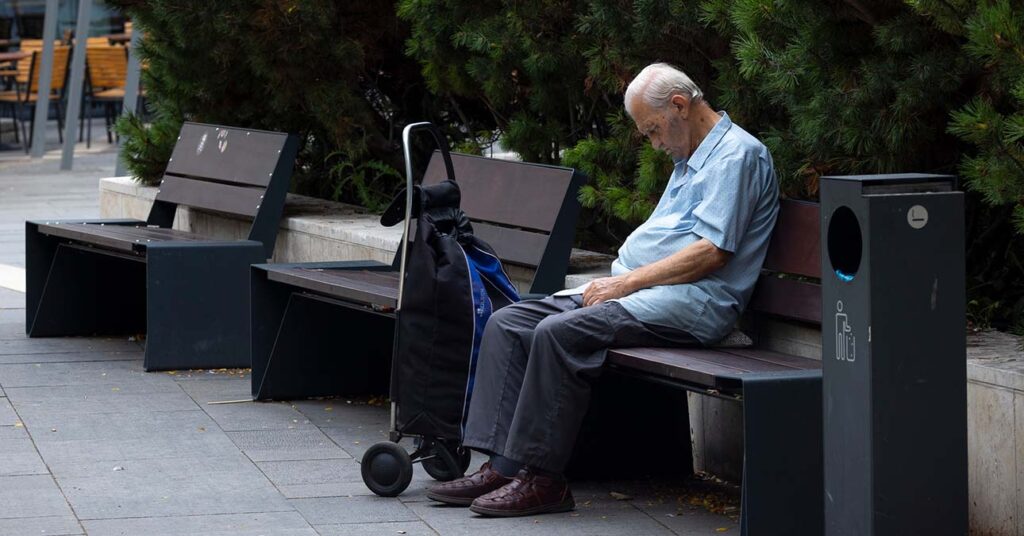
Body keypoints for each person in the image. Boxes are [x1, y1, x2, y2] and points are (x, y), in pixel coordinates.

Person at [426, 62, 780, 517]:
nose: (654, 143)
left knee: (559, 333)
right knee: (510, 321)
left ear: (679, 106)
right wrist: (622, 283)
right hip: (640, 292)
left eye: (653, 130)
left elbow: (712, 253)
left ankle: (543, 479)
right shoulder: (690, 157)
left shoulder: (738, 156)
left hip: (694, 302)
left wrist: (626, 282)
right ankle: (503, 465)